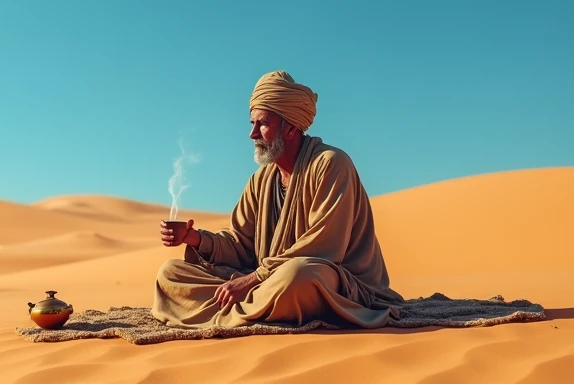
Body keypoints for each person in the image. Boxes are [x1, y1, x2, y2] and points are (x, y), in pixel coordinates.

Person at [151, 70, 405, 329]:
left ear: (291, 127)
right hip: (266, 282)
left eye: (262, 124)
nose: (253, 134)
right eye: (252, 123)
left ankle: (240, 308)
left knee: (297, 276)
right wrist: (195, 238)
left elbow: (324, 246)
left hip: (337, 282)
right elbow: (241, 244)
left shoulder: (331, 164)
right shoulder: (260, 180)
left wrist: (252, 280)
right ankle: (255, 307)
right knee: (170, 274)